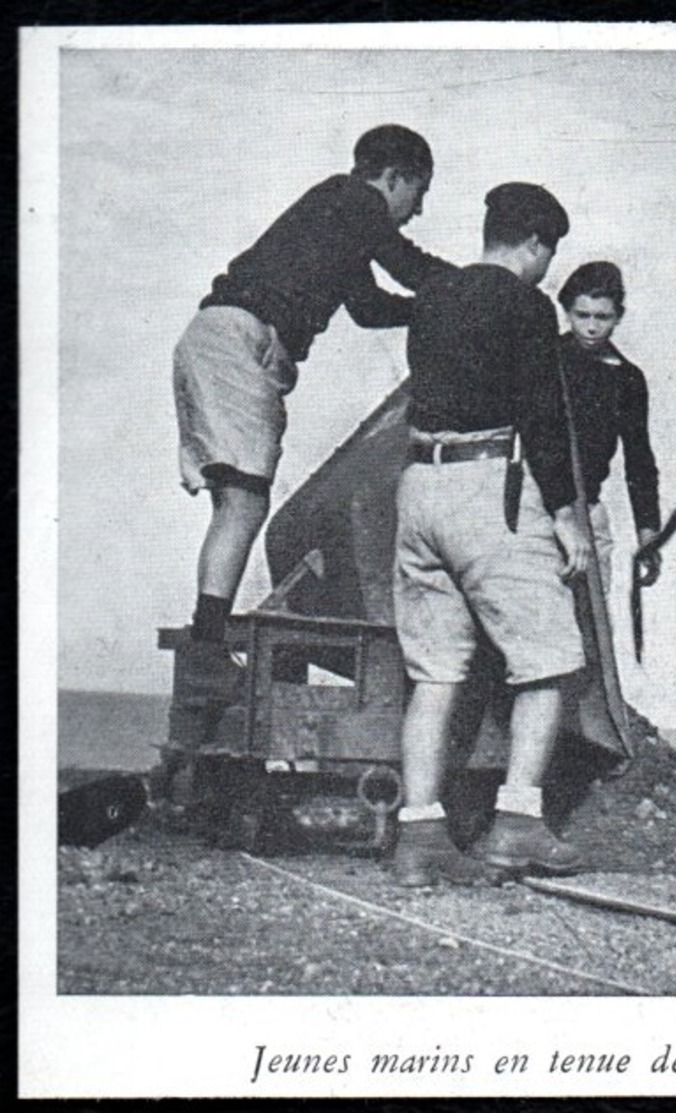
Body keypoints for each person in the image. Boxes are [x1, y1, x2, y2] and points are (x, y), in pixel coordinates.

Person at [168, 124, 455, 750]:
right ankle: (206, 654)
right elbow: (407, 265)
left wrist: (433, 309)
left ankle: (206, 653)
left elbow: (372, 307)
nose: (418, 209)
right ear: (395, 176)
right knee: (243, 504)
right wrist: (479, 293)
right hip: (239, 341)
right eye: (419, 191)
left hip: (219, 338)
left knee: (237, 503)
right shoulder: (356, 200)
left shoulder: (336, 221)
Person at [391, 182, 593, 887]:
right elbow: (540, 412)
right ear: (535, 244)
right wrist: (566, 515)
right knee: (551, 659)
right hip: (486, 485)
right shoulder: (526, 303)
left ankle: (418, 836)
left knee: (436, 671)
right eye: (548, 253)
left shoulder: (435, 294)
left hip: (419, 485)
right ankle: (517, 822)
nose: (546, 269)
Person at [555, 261, 662, 590]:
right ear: (567, 311)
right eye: (581, 315)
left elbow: (639, 459)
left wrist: (648, 533)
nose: (590, 327)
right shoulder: (546, 360)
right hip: (539, 509)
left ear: (618, 316)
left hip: (588, 511)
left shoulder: (626, 378)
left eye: (602, 318)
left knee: (595, 631)